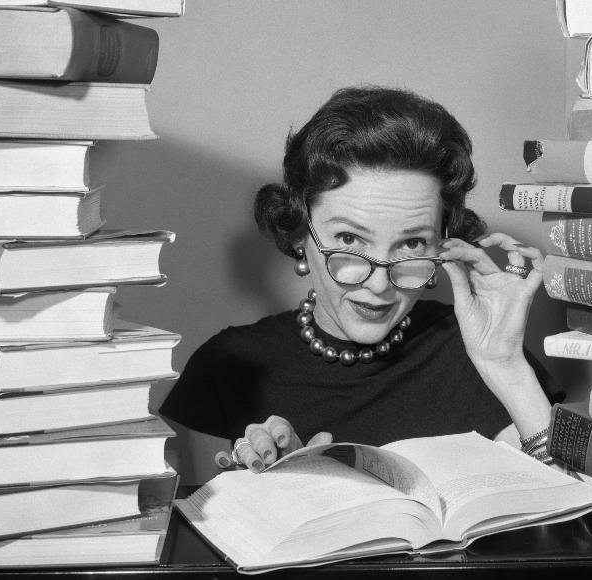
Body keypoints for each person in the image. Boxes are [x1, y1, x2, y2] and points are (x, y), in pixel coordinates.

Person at [159, 85, 562, 474]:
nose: (380, 284)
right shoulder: (225, 368)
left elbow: (576, 519)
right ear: (300, 233)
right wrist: (282, 490)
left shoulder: (476, 353)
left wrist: (505, 365)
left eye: (413, 243)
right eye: (349, 239)